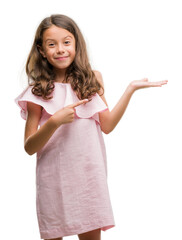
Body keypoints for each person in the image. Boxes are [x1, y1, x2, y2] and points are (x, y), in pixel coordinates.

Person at [15, 14, 168, 240]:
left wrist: (130, 90)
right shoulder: (38, 91)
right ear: (41, 50)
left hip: (88, 179)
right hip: (54, 182)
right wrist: (54, 121)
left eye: (66, 42)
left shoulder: (91, 79)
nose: (60, 49)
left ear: (76, 43)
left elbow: (107, 126)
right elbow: (29, 147)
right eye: (51, 44)